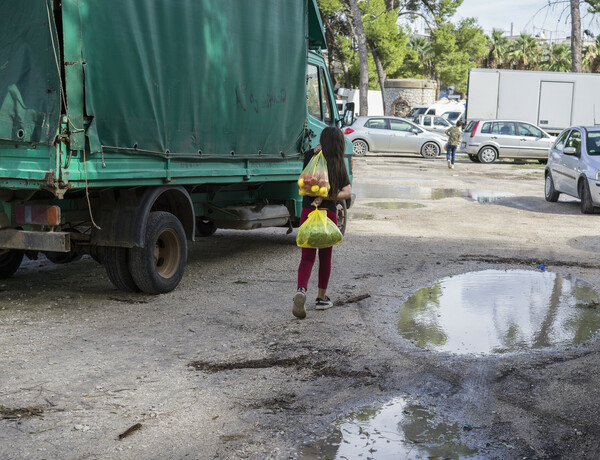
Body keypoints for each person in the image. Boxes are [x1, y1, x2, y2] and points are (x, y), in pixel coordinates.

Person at [293, 127, 352, 319]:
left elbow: (304, 183)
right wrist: (328, 195)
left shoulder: (311, 155)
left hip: (308, 214)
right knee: (325, 258)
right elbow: (348, 192)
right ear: (339, 143)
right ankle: (321, 298)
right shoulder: (338, 163)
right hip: (328, 215)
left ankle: (301, 291)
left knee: (307, 257)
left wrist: (318, 195)